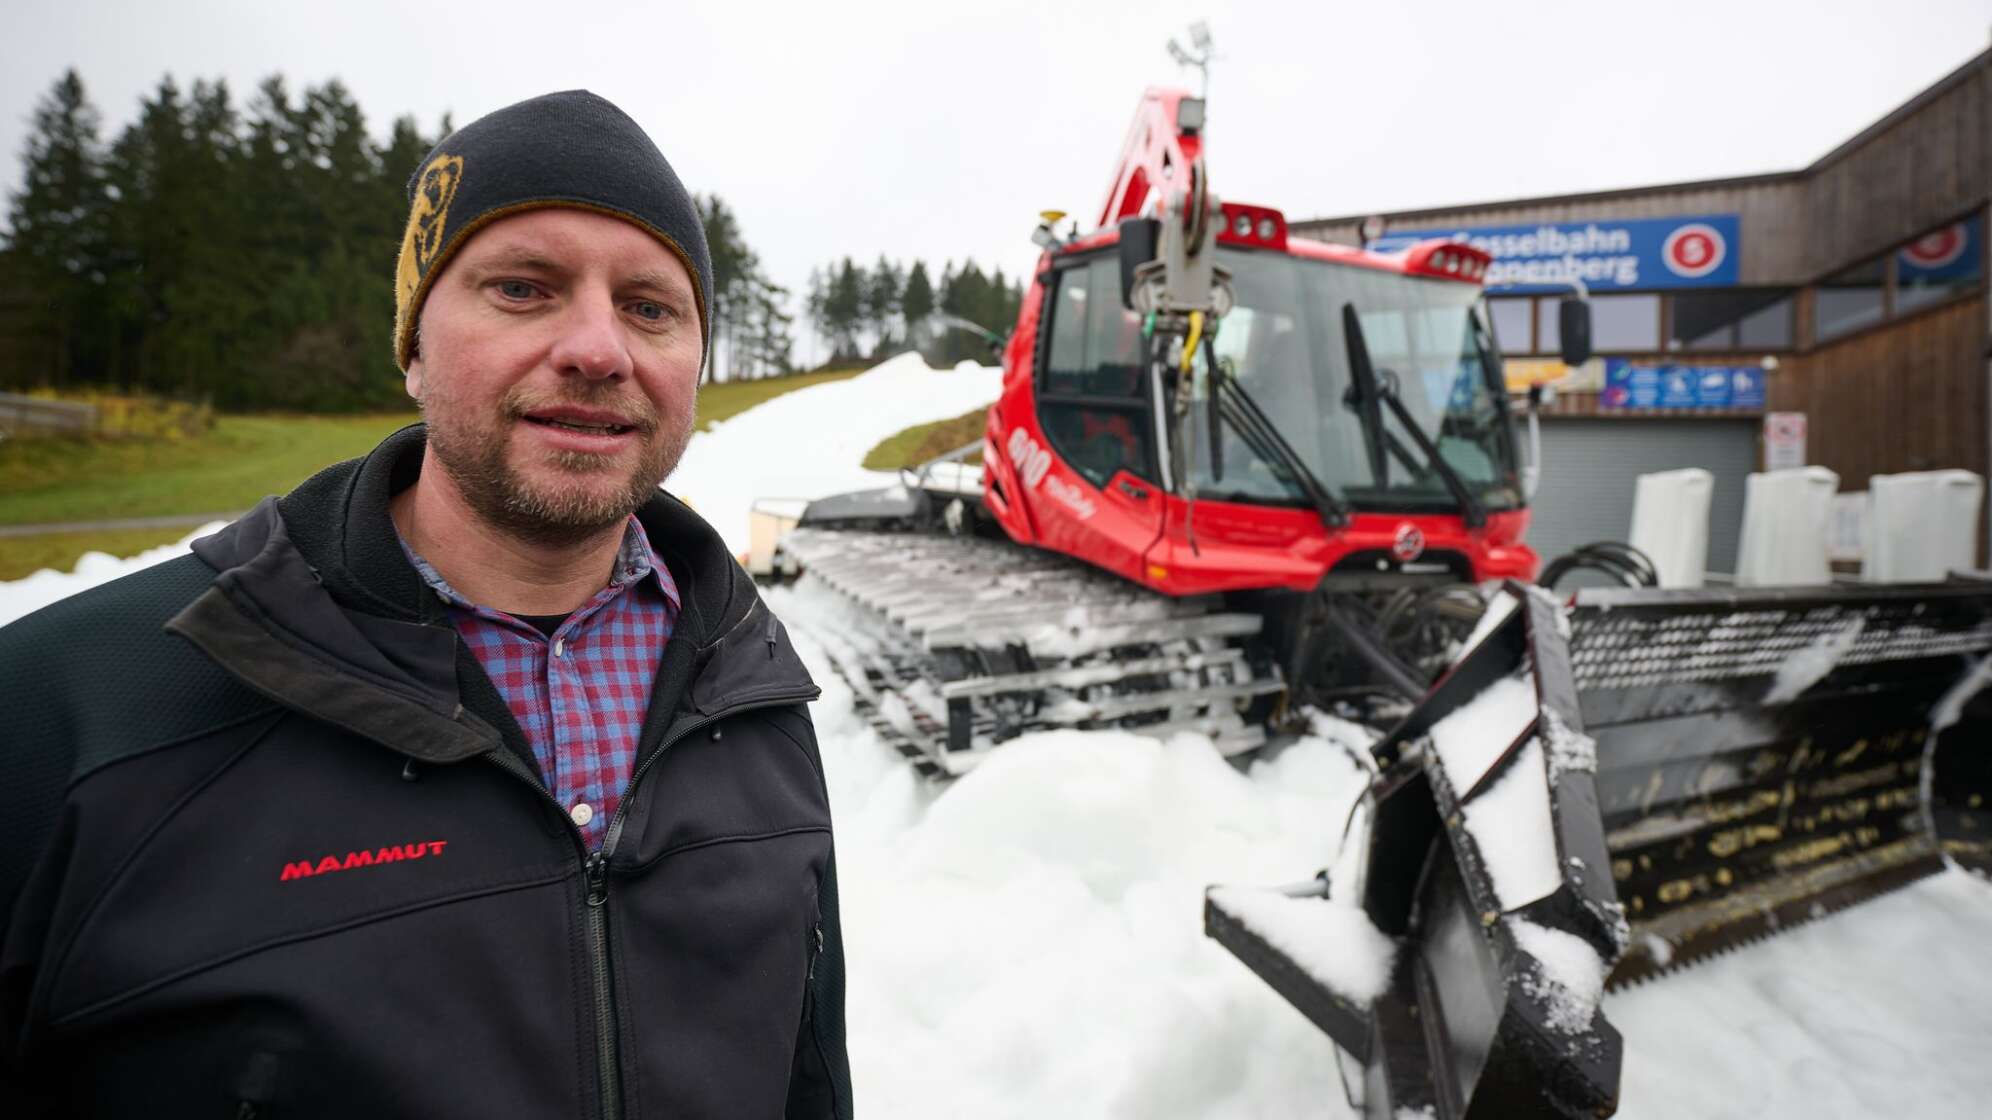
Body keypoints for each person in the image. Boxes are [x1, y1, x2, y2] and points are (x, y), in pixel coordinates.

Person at [0, 90, 851, 1119]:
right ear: (411, 345)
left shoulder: (753, 687)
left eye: (650, 306)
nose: (599, 348)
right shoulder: (71, 713)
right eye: (525, 288)